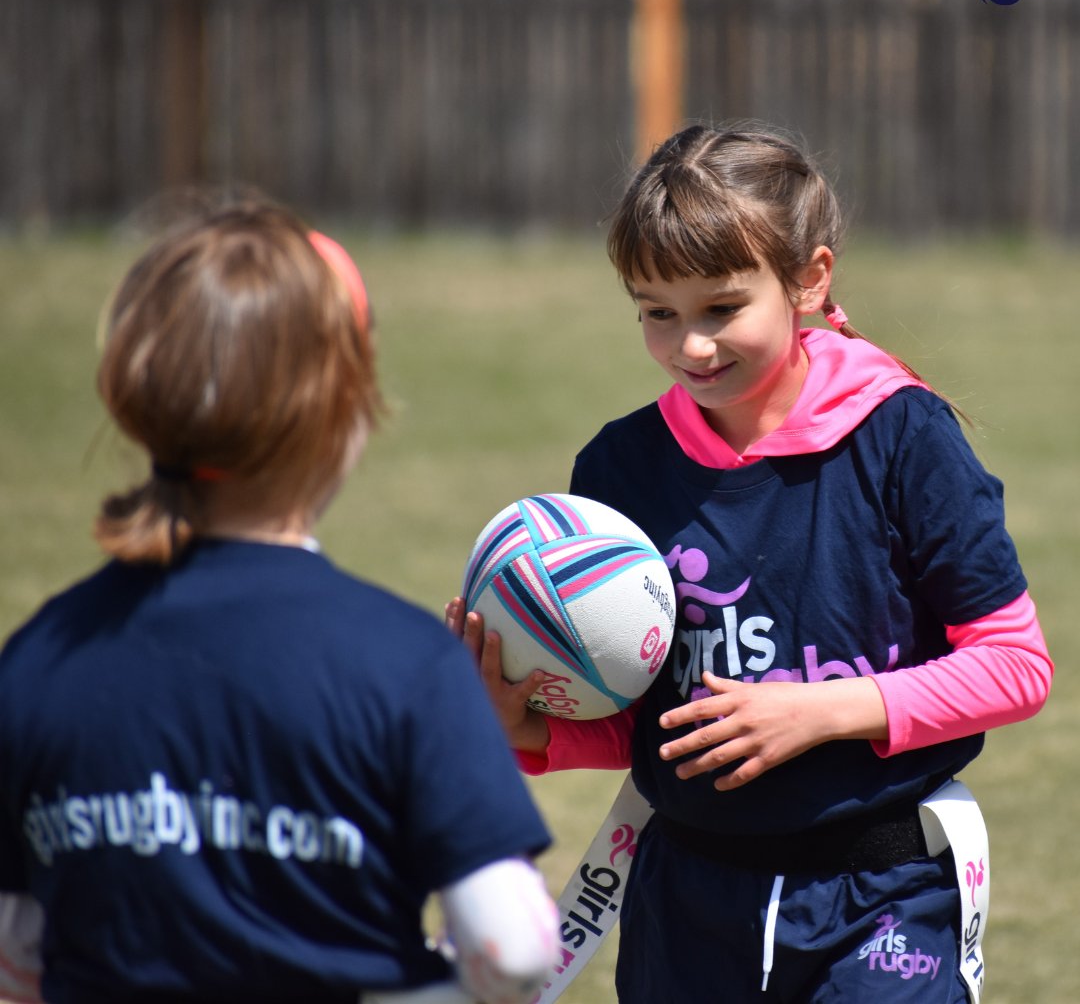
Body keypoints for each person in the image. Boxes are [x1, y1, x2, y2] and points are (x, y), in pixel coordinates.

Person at [447, 123, 1053, 1002]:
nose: (691, 345)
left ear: (808, 279)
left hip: (882, 895)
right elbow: (653, 723)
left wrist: (819, 713)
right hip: (687, 905)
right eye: (658, 311)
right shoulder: (618, 472)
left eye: (722, 307)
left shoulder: (902, 437)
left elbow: (1015, 666)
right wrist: (527, 727)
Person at [0, 200, 557, 1004]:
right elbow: (511, 952)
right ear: (344, 415)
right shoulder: (406, 665)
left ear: (137, 398)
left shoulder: (39, 660)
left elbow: (17, 956)